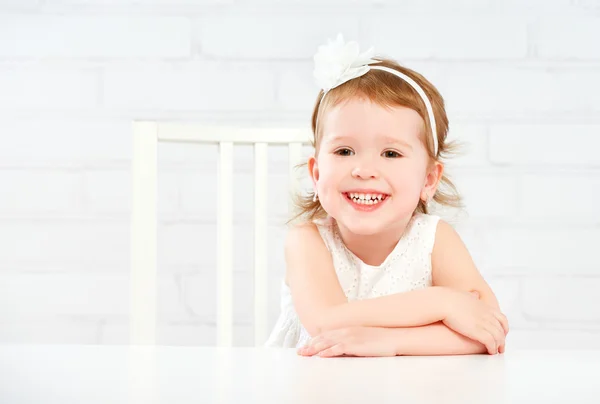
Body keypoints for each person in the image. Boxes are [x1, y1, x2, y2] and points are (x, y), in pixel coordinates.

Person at [265, 34, 509, 357]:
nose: (364, 170)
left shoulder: (434, 241)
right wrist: (442, 302)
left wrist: (391, 342)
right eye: (345, 150)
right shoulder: (306, 241)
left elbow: (487, 329)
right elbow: (326, 322)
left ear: (429, 179)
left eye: (391, 154)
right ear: (317, 172)